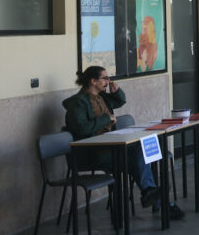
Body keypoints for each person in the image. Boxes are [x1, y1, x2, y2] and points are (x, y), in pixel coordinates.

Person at [63, 66, 184, 218]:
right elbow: (81, 128)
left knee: (144, 149)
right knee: (138, 158)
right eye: (104, 78)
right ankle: (159, 200)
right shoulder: (78, 103)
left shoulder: (102, 97)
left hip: (111, 147)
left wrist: (116, 91)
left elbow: (120, 101)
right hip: (94, 152)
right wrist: (106, 119)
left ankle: (153, 196)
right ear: (93, 81)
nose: (108, 81)